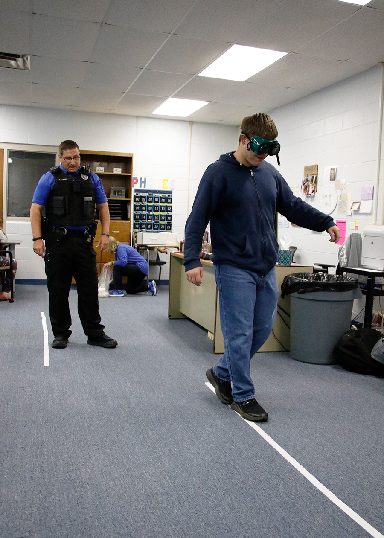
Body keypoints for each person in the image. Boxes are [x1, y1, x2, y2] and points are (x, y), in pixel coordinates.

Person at [184, 113, 340, 422]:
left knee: (262, 329)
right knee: (239, 334)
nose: (262, 156)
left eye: (269, 151)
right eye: (258, 149)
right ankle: (243, 394)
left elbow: (293, 205)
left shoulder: (269, 173)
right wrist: (191, 259)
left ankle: (221, 373)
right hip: (233, 267)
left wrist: (326, 222)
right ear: (243, 140)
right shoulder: (217, 173)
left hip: (266, 266)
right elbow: (197, 217)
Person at [30, 139, 118, 350]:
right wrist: (37, 238)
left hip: (83, 242)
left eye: (76, 157)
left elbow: (103, 208)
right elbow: (35, 209)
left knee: (88, 290)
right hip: (57, 243)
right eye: (68, 158)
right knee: (58, 290)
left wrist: (106, 233)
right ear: (61, 157)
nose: (73, 162)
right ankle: (61, 334)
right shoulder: (49, 178)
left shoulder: (92, 178)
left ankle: (94, 333)